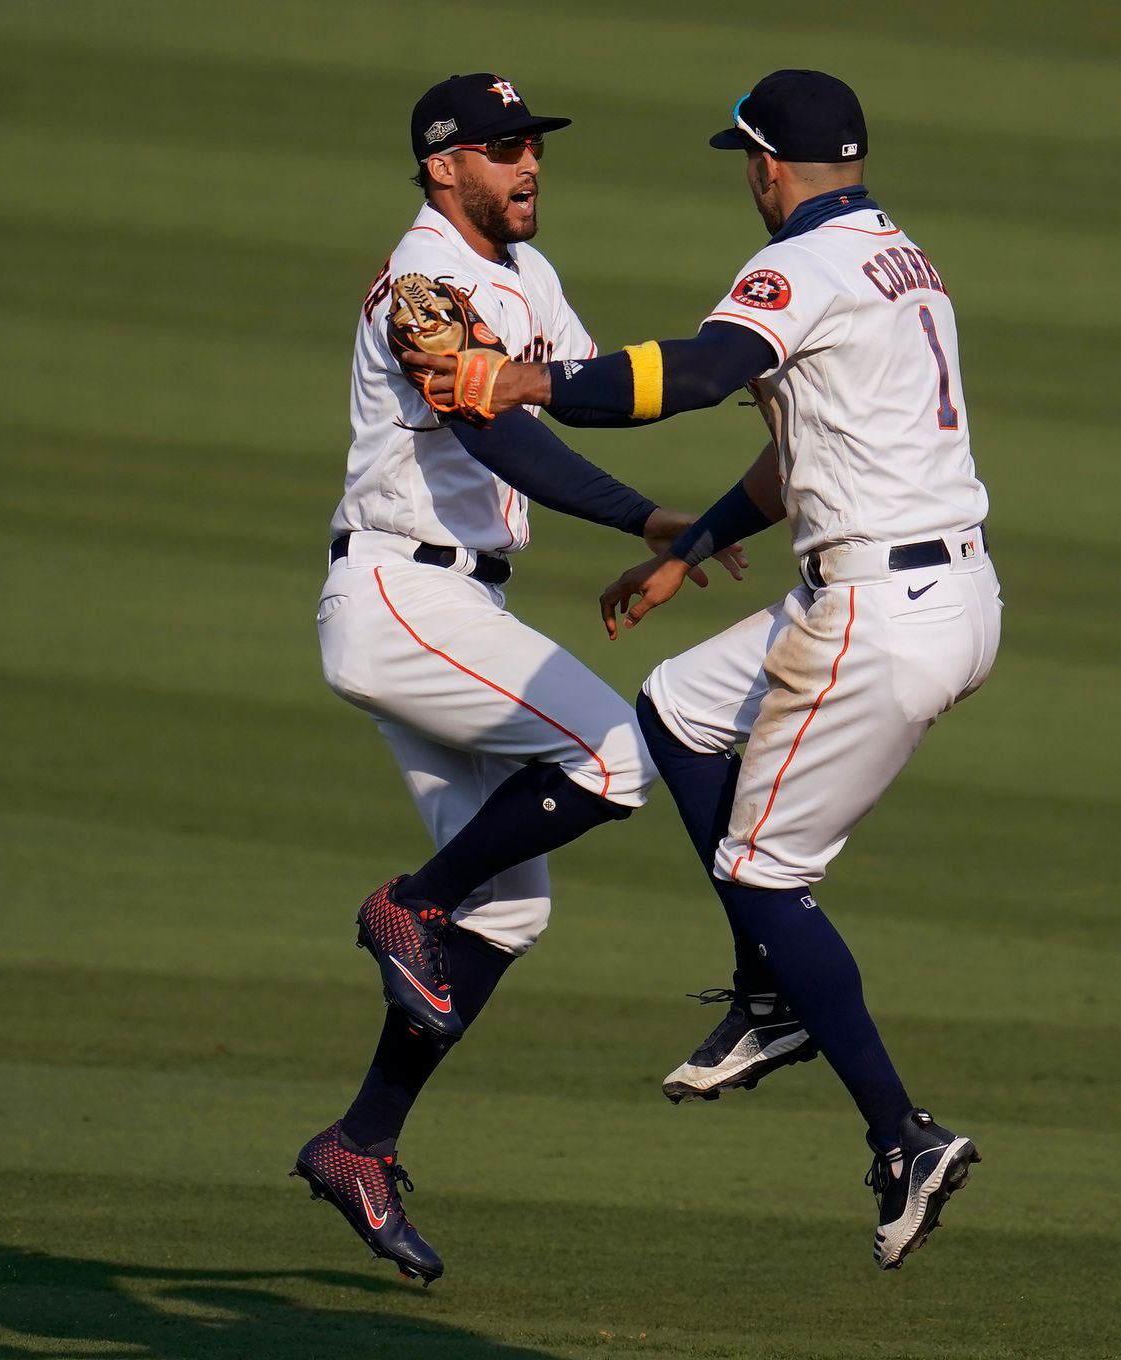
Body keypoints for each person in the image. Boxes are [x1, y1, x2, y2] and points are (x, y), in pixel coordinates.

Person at [404, 69, 1000, 1269]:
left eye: (747, 157)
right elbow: (802, 452)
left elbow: (695, 374)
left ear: (767, 165)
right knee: (674, 710)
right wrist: (696, 548)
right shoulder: (903, 260)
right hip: (947, 586)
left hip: (874, 611)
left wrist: (521, 379)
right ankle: (771, 991)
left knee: (765, 872)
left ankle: (903, 1134)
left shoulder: (800, 269)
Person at [294, 72, 743, 1285]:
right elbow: (506, 434)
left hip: (456, 602)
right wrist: (650, 521)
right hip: (399, 594)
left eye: (532, 144)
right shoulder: (423, 284)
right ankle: (406, 904)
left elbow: (583, 393)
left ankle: (361, 1142)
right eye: (502, 149)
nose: (528, 164)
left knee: (510, 909)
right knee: (613, 752)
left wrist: (745, 357)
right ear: (443, 167)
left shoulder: (525, 277)